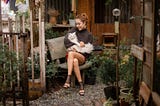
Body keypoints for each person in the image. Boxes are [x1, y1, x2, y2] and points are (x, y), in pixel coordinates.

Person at [63, 13, 93, 96]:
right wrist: (73, 46)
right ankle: (81, 85)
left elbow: (89, 50)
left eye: (79, 23)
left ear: (84, 23)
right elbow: (66, 40)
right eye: (76, 24)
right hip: (72, 58)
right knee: (74, 61)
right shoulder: (73, 30)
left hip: (82, 58)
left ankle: (68, 79)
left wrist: (84, 46)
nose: (77, 25)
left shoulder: (89, 35)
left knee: (71, 53)